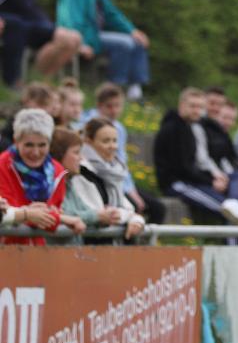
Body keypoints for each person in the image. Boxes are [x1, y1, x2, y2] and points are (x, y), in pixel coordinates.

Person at [56, 0, 150, 101]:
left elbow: (112, 14)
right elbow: (71, 19)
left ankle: (135, 92)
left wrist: (132, 30)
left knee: (136, 41)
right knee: (124, 44)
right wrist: (81, 43)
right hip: (81, 37)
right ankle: (113, 90)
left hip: (95, 35)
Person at [155, 87, 238, 225]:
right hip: (176, 183)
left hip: (191, 180)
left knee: (231, 205)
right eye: (192, 106)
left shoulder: (190, 127)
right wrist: (210, 181)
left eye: (200, 107)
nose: (196, 110)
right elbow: (183, 168)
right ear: (182, 105)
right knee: (228, 209)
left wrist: (212, 179)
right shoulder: (172, 129)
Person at [0, 0, 81, 88]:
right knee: (69, 39)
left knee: (74, 39)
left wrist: (50, 26)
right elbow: (25, 8)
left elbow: (31, 7)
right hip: (19, 26)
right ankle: (36, 81)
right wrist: (51, 27)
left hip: (30, 25)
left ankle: (42, 82)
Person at [82, 82, 165, 224]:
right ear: (99, 105)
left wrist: (132, 190)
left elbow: (121, 162)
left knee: (156, 208)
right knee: (130, 208)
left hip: (117, 178)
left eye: (117, 105)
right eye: (109, 106)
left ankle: (147, 244)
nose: (114, 110)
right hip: (98, 178)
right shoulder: (87, 124)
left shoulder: (120, 128)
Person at [0, 108, 67, 245]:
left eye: (42, 145)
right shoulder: (3, 165)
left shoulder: (57, 171)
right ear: (16, 141)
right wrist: (30, 214)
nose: (35, 152)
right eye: (29, 145)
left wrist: (24, 214)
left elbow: (52, 220)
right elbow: (5, 213)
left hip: (37, 250)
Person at [80, 117, 144, 242]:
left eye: (115, 141)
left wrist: (136, 220)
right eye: (106, 141)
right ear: (88, 142)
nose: (112, 146)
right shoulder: (82, 171)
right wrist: (127, 216)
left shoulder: (115, 172)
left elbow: (128, 209)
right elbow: (103, 213)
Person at [49, 126, 112, 245]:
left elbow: (84, 211)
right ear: (59, 154)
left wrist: (106, 216)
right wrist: (97, 216)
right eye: (76, 152)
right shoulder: (49, 184)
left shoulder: (68, 183)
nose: (81, 158)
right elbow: (65, 215)